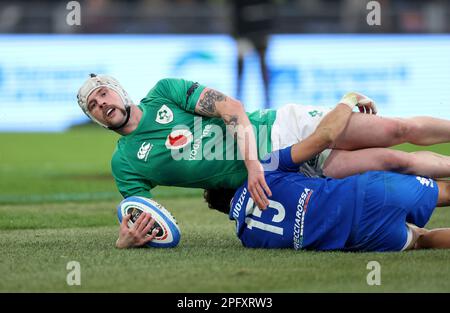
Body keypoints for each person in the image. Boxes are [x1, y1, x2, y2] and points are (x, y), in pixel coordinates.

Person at [77, 74, 450, 248]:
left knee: (395, 129)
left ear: (119, 90)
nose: (102, 104)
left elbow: (232, 108)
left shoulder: (164, 92)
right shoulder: (124, 163)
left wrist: (253, 164)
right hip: (278, 176)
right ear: (94, 117)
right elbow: (138, 212)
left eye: (103, 94)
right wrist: (126, 239)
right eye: (93, 105)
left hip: (281, 132)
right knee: (391, 163)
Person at [203, 102, 450, 252]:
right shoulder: (265, 169)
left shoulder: (248, 238)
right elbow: (324, 137)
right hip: (367, 193)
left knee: (422, 239)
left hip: (362, 237)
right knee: (443, 191)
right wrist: (349, 98)